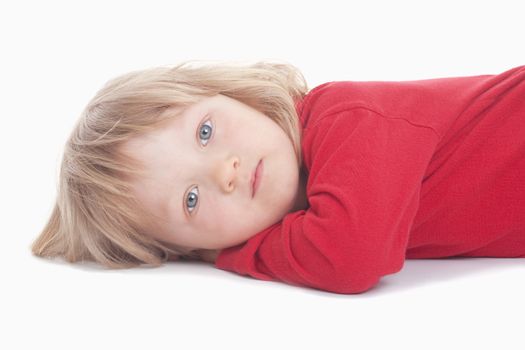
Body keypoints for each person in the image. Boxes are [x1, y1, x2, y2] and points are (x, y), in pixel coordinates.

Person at [31, 60, 525, 294]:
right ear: (175, 249)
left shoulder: (347, 117)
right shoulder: (307, 205)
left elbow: (351, 256)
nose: (225, 170)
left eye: (205, 131)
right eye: (191, 201)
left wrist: (227, 253)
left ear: (231, 96)